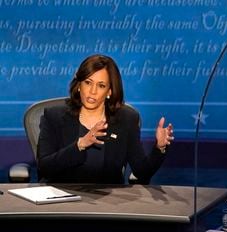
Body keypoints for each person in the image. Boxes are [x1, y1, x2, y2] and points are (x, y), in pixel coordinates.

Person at [36, 54, 174, 184]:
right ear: (79, 85)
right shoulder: (54, 116)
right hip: (62, 200)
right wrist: (80, 145)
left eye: (101, 85)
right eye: (88, 82)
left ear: (109, 91)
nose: (93, 91)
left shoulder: (127, 120)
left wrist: (159, 147)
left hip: (107, 203)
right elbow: (45, 168)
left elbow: (142, 172)